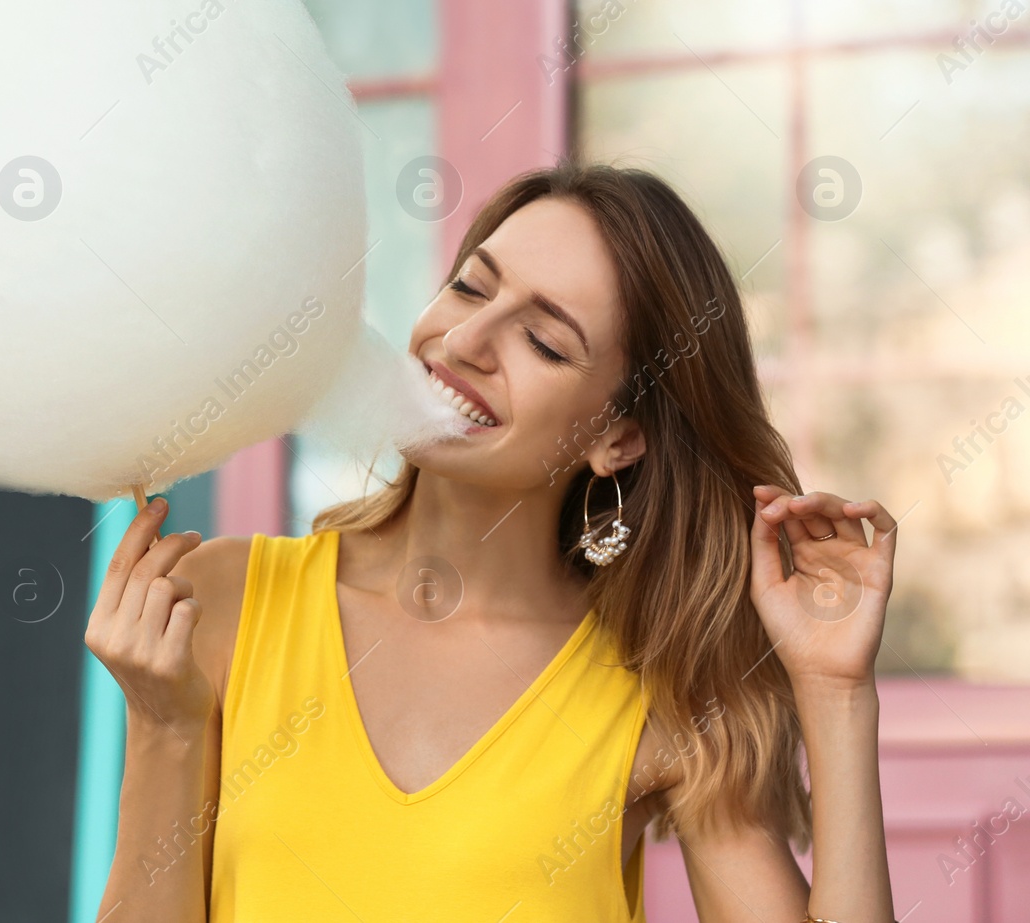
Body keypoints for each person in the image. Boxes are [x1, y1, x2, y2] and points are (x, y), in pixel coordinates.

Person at [84, 161, 898, 923]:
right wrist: (167, 724)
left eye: (544, 341)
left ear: (618, 438)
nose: (467, 342)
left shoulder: (661, 698)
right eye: (471, 287)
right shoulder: (223, 600)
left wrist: (836, 691)